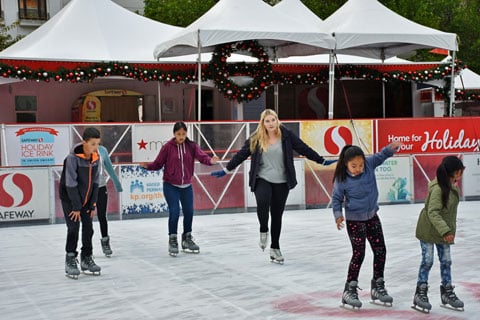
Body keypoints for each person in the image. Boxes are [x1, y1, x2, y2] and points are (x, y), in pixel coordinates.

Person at [211, 109, 336, 264]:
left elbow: (303, 148)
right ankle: (263, 229)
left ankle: (275, 248)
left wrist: (321, 160)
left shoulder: (287, 135)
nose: (271, 123)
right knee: (263, 202)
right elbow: (241, 154)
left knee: (277, 215)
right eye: (267, 121)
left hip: (282, 181)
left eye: (273, 120)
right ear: (262, 123)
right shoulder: (256, 138)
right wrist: (226, 169)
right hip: (262, 177)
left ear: (277, 120)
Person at [332, 142, 401, 308]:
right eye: (354, 166)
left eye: (360, 164)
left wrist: (390, 148)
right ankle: (349, 290)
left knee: (380, 250)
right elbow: (336, 199)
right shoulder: (342, 179)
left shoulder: (369, 165)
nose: (358, 168)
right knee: (359, 254)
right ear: (345, 164)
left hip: (372, 216)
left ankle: (378, 286)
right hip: (355, 220)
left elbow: (381, 155)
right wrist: (338, 215)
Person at [141, 121, 218, 256]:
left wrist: (211, 161)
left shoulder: (191, 146)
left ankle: (187, 238)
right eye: (178, 134)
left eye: (183, 134)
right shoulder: (167, 148)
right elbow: (158, 163)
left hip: (186, 186)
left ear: (186, 134)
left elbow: (202, 157)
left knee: (189, 211)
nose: (181, 137)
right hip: (171, 186)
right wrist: (148, 166)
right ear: (174, 134)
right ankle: (173, 239)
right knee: (175, 211)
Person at [412, 156, 465, 313]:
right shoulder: (438, 189)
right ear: (454, 173)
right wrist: (446, 231)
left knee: (446, 261)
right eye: (460, 171)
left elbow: (449, 213)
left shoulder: (452, 187)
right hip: (429, 230)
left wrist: (447, 230)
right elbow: (433, 212)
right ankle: (420, 293)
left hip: (443, 232)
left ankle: (447, 292)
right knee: (427, 261)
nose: (461, 174)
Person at [59, 127, 102, 279]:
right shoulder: (72, 158)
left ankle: (86, 258)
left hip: (86, 200)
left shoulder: (96, 158)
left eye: (97, 144)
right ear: (84, 142)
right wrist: (76, 206)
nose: (95, 148)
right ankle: (70, 258)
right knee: (73, 228)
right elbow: (70, 184)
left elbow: (96, 183)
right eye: (93, 144)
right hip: (70, 199)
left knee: (89, 228)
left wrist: (92, 205)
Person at [97, 145, 123, 257]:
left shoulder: (102, 150)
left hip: (101, 187)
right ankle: (87, 247)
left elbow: (109, 168)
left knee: (102, 216)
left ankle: (105, 241)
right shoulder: (82, 149)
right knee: (86, 219)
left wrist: (117, 184)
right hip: (87, 189)